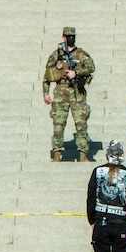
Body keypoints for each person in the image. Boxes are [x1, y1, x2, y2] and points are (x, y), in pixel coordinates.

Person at [42, 27, 95, 162]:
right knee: (58, 123)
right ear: (63, 37)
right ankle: (57, 153)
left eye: (73, 36)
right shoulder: (56, 55)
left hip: (77, 91)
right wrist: (46, 93)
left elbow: (91, 67)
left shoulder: (80, 54)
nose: (71, 39)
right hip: (61, 91)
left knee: (81, 123)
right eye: (68, 36)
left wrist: (76, 73)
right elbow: (47, 75)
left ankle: (83, 154)